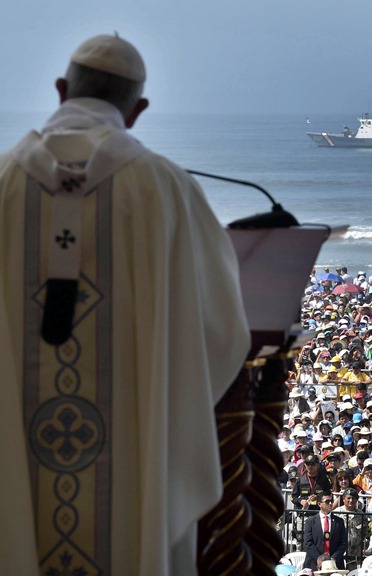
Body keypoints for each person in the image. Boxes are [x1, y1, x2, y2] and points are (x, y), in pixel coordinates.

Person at [0, 34, 250, 576]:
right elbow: (223, 331)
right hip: (134, 478)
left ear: (62, 89)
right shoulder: (165, 189)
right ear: (137, 111)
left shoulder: (2, 185)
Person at [303, 491, 347, 571]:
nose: (330, 503)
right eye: (327, 501)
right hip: (314, 564)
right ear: (319, 504)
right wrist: (319, 560)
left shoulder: (339, 521)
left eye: (331, 501)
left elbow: (343, 543)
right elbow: (308, 543)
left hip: (334, 564)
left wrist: (332, 559)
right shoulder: (311, 521)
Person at [333, 487, 368, 569]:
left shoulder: (362, 515)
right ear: (343, 499)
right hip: (338, 552)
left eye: (353, 498)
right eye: (348, 498)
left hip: (354, 553)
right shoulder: (336, 513)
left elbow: (364, 533)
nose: (351, 501)